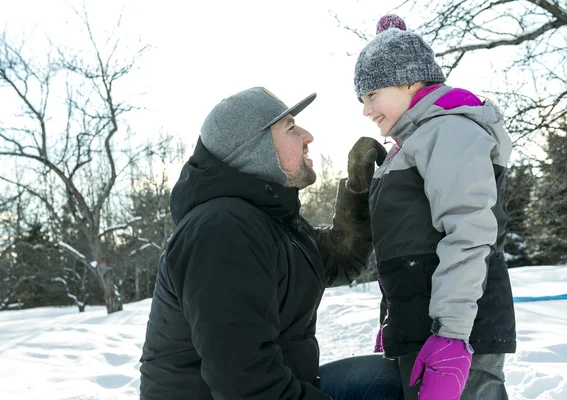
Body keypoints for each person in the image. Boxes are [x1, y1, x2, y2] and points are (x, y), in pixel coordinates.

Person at [139, 87, 395, 399]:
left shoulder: (270, 220)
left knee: (391, 380)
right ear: (254, 150)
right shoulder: (221, 232)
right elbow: (246, 384)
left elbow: (340, 260)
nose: (307, 135)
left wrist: (358, 189)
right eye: (290, 128)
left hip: (276, 387)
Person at [352, 14, 517, 400]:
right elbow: (411, 242)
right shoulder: (420, 139)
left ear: (410, 81)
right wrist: (399, 315)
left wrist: (454, 336)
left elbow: (469, 232)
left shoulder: (448, 130)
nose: (365, 110)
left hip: (459, 332)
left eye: (371, 95)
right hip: (429, 325)